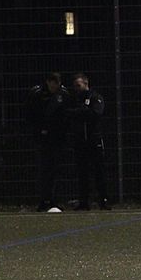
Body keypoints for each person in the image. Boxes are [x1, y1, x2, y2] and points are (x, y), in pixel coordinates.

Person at [24, 72, 70, 212]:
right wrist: (40, 130)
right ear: (48, 82)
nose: (55, 87)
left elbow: (66, 115)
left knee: (56, 170)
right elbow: (30, 115)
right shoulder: (37, 93)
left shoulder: (63, 94)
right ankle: (44, 200)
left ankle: (55, 200)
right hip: (42, 139)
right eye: (53, 84)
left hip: (58, 138)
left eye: (58, 84)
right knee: (44, 170)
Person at [68, 72, 111, 210]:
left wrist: (79, 112)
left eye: (78, 85)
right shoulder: (74, 99)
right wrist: (81, 112)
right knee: (82, 173)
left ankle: (103, 201)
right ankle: (84, 202)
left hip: (94, 140)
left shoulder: (95, 97)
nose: (76, 88)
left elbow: (96, 113)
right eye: (75, 86)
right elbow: (68, 113)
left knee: (99, 171)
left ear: (86, 83)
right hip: (80, 141)